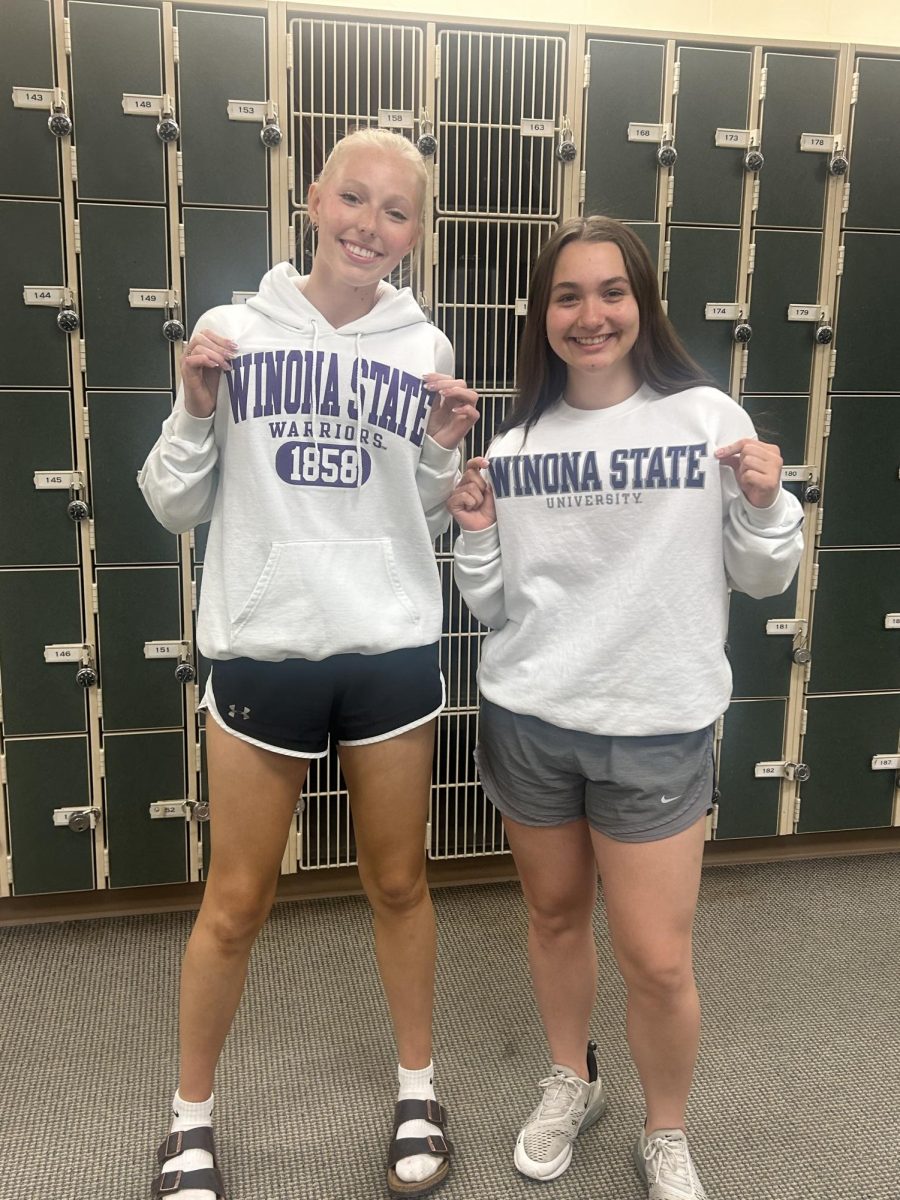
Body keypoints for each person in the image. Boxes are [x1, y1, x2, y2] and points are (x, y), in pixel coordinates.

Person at [139, 128, 479, 1200]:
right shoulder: (233, 330)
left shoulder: (427, 351)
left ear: (416, 233)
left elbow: (424, 511)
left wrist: (440, 450)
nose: (369, 225)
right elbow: (171, 500)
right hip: (263, 646)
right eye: (354, 199)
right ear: (314, 200)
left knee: (397, 883)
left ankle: (418, 1089)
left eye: (395, 211)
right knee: (235, 903)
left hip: (386, 649)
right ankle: (188, 1121)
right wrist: (197, 406)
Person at [448, 215, 803, 1199]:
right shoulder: (516, 445)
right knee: (556, 919)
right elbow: (492, 602)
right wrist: (475, 531)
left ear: (642, 306)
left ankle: (667, 1129)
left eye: (612, 292)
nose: (591, 313)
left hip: (655, 727)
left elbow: (765, 575)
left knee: (655, 958)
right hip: (531, 721)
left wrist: (770, 504)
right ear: (543, 315)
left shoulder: (705, 420)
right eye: (568, 295)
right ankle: (575, 1078)